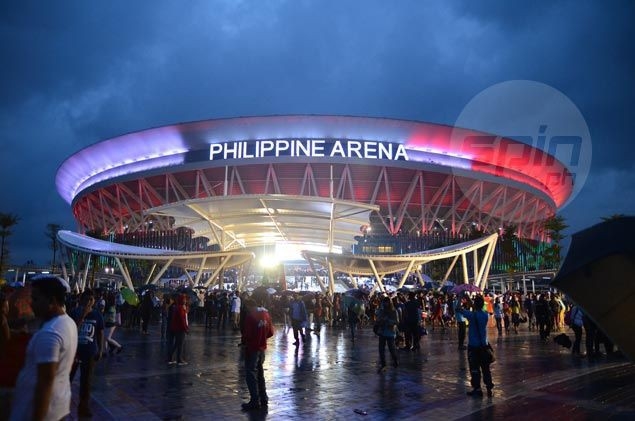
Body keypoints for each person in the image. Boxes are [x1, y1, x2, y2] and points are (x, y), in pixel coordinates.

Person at [9, 275, 78, 421]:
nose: (31, 304)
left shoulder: (50, 333)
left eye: (35, 299)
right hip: (58, 406)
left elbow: (46, 381)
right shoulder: (68, 322)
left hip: (41, 412)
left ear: (51, 301)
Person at [69, 289, 104, 417]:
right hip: (74, 351)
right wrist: (83, 315)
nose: (89, 302)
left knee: (86, 380)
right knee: (68, 377)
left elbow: (100, 332)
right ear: (81, 299)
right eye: (86, 299)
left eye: (91, 299)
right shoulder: (74, 313)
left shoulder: (97, 315)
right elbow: (71, 330)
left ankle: (84, 406)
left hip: (89, 351)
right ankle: (62, 401)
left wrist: (100, 349)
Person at [455, 294, 494, 398]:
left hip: (473, 346)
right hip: (484, 346)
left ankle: (477, 389)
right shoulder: (485, 314)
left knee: (475, 369)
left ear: (475, 304)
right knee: (486, 369)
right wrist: (469, 300)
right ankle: (489, 388)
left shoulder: (471, 315)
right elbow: (477, 309)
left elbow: (458, 308)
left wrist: (460, 297)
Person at [240, 298, 274, 411]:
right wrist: (262, 338)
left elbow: (247, 334)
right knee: (260, 373)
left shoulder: (250, 317)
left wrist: (245, 342)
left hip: (252, 348)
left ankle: (255, 400)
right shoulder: (266, 314)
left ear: (249, 306)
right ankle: (263, 398)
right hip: (262, 348)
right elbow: (271, 332)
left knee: (250, 373)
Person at [375, 296, 399, 373]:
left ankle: (395, 360)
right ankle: (383, 365)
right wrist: (380, 320)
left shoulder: (394, 311)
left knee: (391, 349)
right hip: (382, 332)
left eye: (387, 302)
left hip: (390, 333)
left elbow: (396, 321)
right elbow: (378, 320)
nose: (385, 304)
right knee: (381, 349)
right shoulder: (382, 311)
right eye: (384, 302)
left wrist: (388, 320)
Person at [168, 293, 189, 365]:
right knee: (180, 344)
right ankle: (179, 359)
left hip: (177, 328)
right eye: (184, 299)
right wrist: (186, 328)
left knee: (177, 343)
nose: (185, 301)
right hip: (180, 328)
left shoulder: (179, 307)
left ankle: (171, 358)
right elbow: (182, 319)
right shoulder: (180, 308)